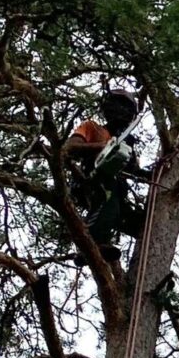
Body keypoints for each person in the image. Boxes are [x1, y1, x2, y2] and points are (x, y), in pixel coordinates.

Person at [63, 87, 150, 272]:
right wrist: (102, 146)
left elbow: (133, 171)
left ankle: (103, 243)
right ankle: (92, 244)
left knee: (135, 220)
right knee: (107, 200)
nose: (123, 112)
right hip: (92, 179)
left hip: (116, 189)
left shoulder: (126, 143)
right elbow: (70, 148)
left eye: (127, 110)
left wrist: (151, 174)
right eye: (120, 106)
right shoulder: (93, 127)